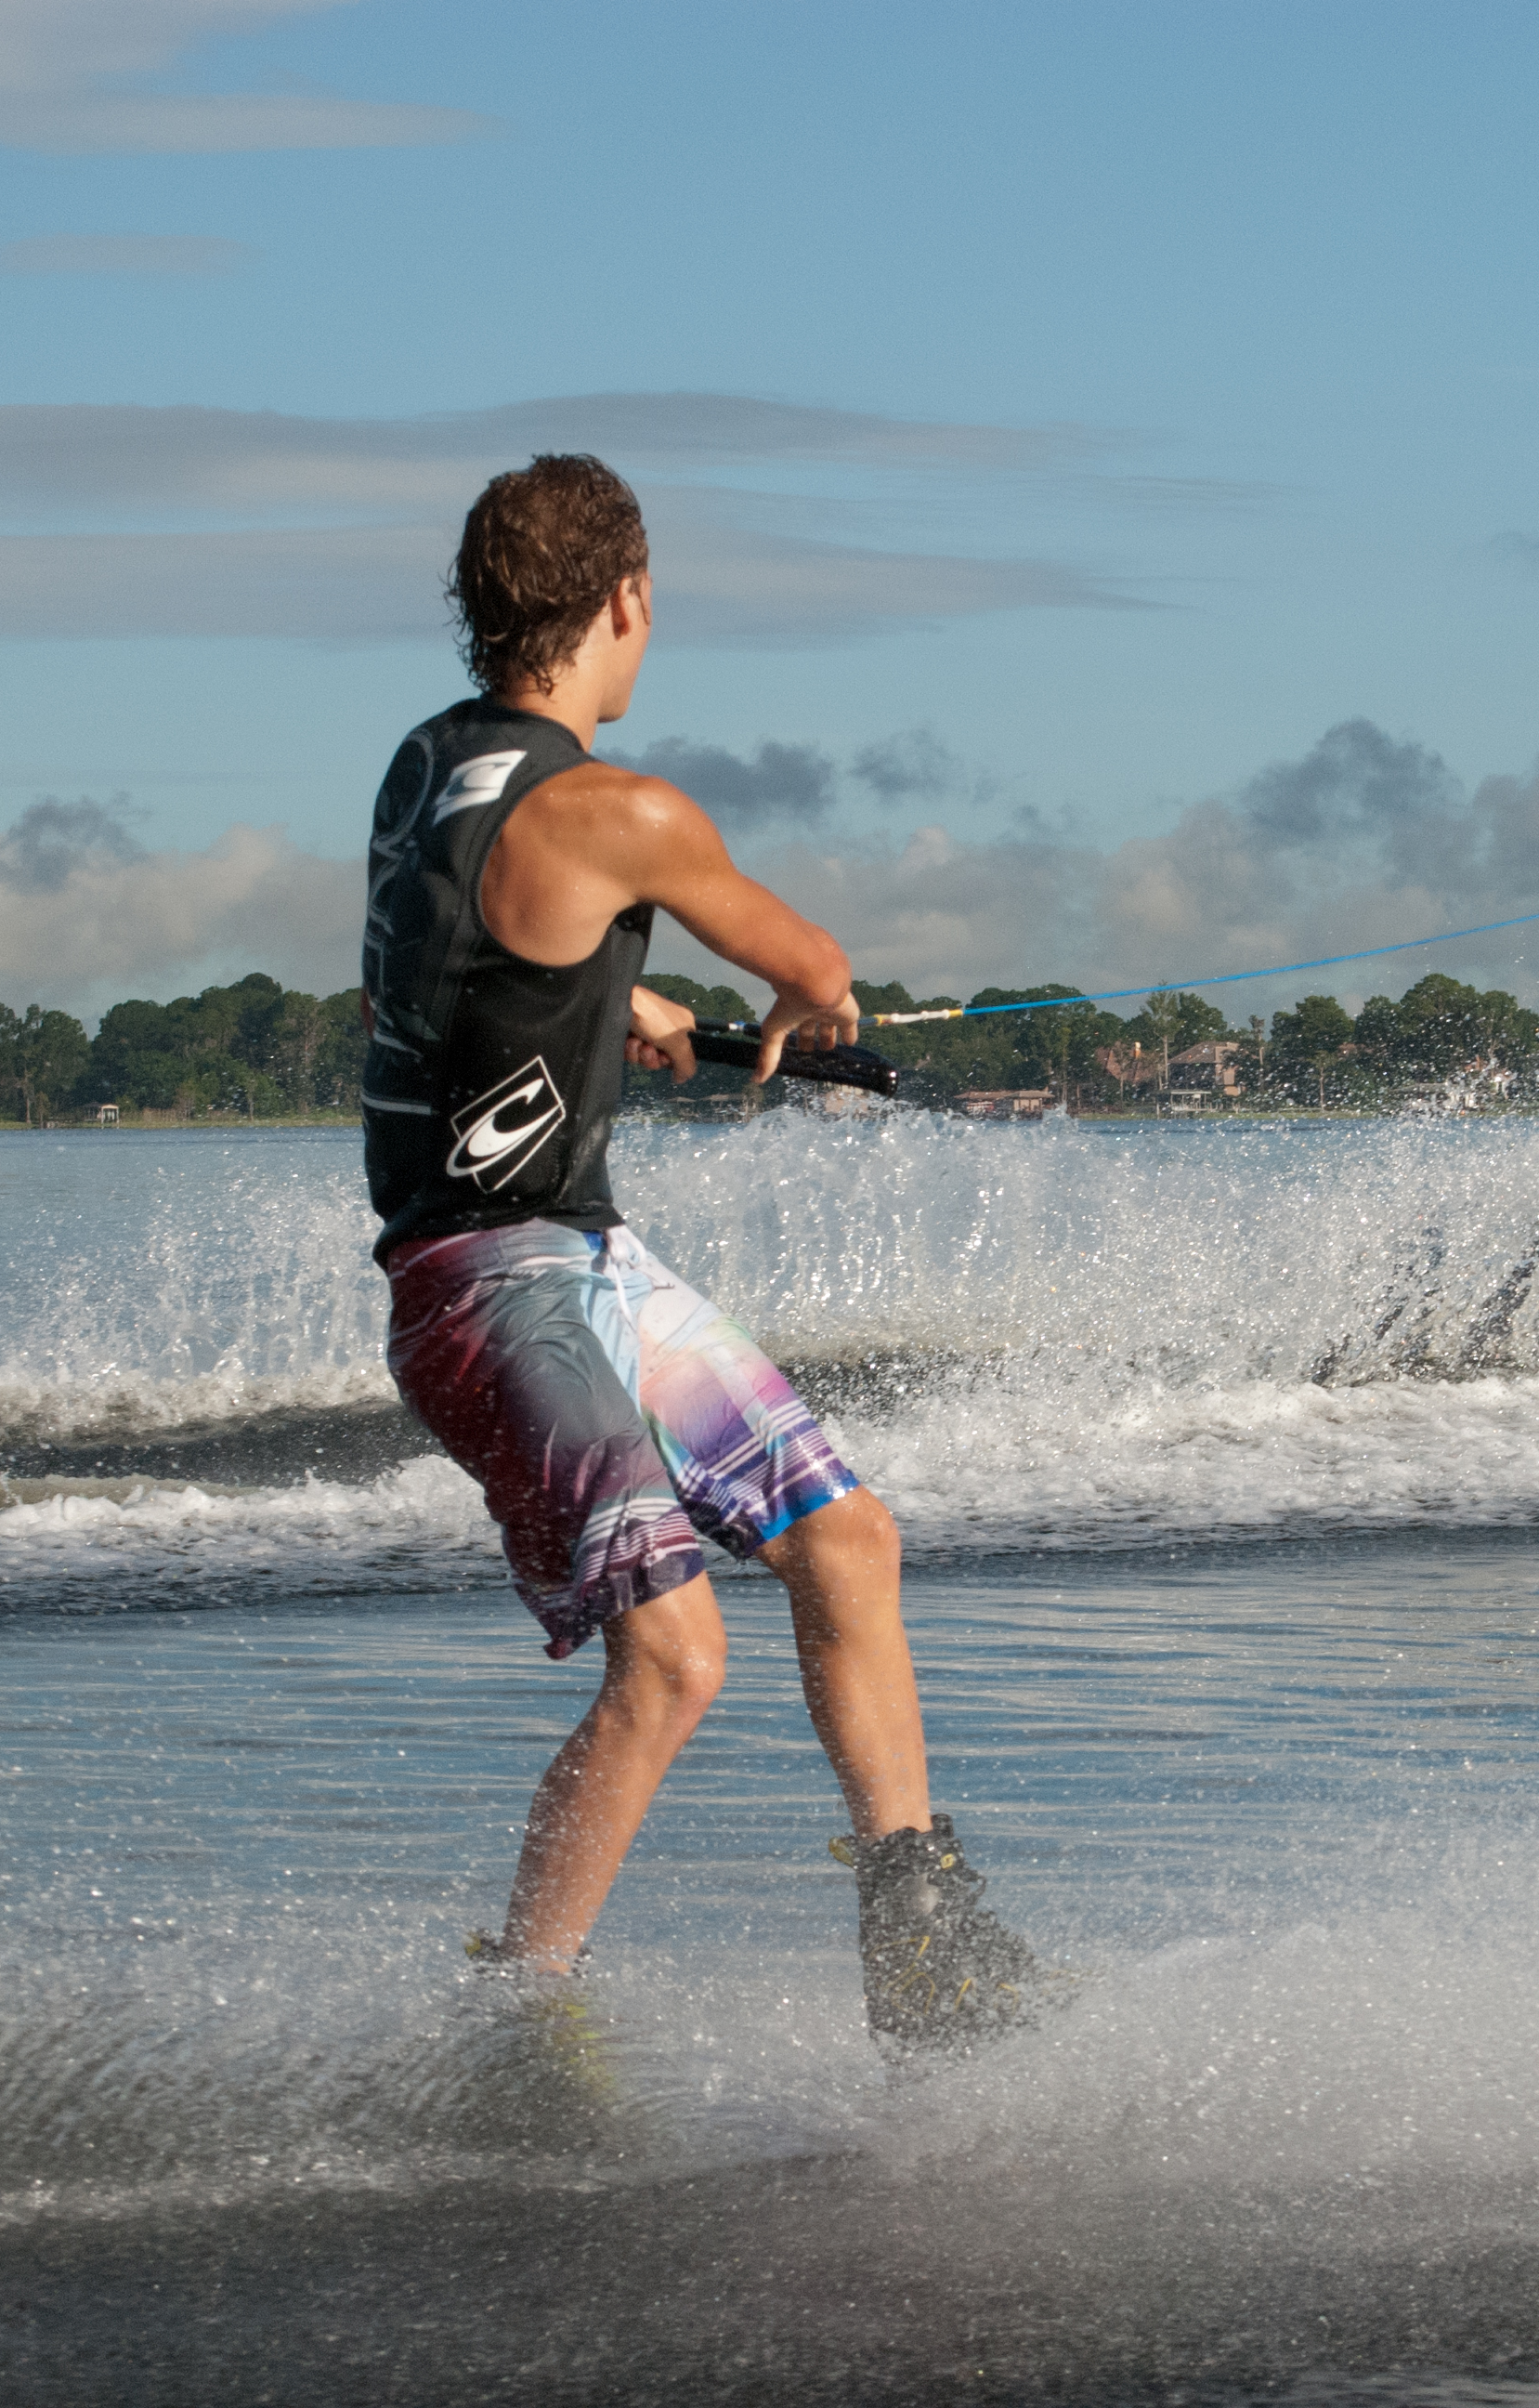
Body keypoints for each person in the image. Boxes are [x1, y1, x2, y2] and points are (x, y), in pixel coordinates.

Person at [359, 452, 1054, 2057]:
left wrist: (617, 998)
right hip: (487, 1281)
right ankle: (513, 2028)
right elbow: (813, 964)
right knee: (672, 1657)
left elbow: (455, 958)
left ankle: (918, 1931)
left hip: (573, 1256)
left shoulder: (425, 771)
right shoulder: (630, 811)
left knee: (844, 1537)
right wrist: (805, 1000)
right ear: (628, 600)